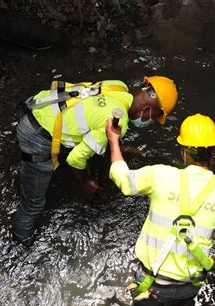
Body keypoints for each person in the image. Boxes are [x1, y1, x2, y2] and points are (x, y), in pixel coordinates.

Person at [106, 113, 215, 306]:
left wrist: (114, 139)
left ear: (183, 152)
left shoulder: (160, 175)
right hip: (186, 286)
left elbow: (122, 178)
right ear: (214, 152)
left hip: (149, 283)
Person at [12, 76, 178, 247]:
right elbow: (75, 159)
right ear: (145, 110)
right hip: (35, 135)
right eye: (154, 117)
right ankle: (19, 244)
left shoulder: (117, 86)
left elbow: (92, 116)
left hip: (37, 105)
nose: (149, 121)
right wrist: (85, 181)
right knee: (33, 203)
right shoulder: (120, 121)